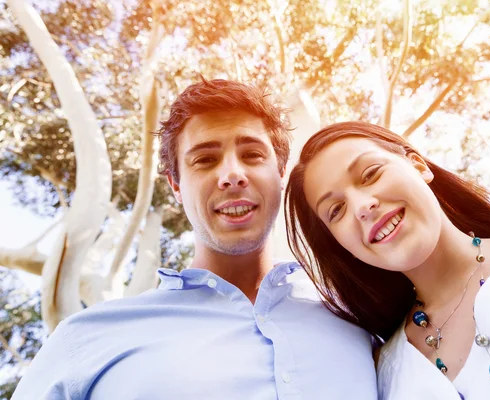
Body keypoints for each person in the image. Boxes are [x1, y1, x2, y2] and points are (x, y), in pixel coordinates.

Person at [12, 80, 378, 399]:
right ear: (175, 186)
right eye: (205, 160)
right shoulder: (84, 341)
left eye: (252, 154)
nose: (232, 175)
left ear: (281, 173)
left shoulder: (357, 316)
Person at [284, 121, 490, 400]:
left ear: (418, 165)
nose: (362, 206)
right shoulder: (384, 373)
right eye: (336, 210)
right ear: (341, 245)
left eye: (370, 174)